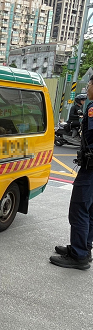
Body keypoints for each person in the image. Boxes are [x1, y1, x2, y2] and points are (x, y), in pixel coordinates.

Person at [51, 76, 93, 270]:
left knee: (79, 210)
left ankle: (78, 256)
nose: (88, 87)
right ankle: (84, 248)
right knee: (90, 211)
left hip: (90, 170)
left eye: (90, 84)